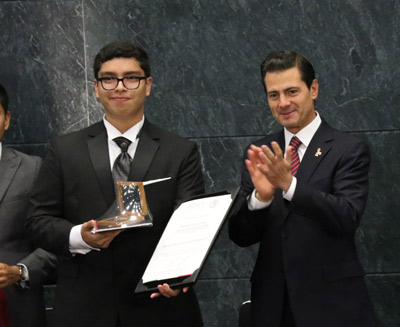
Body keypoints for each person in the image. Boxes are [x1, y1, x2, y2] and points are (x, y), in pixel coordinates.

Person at [26, 41, 204, 327]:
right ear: (96, 89)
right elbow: (37, 221)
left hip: (158, 306)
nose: (119, 86)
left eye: (131, 78)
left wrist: (178, 276)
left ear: (148, 85)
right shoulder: (64, 149)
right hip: (84, 307)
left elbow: (190, 225)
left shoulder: (180, 151)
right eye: (109, 79)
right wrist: (79, 236)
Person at [229, 51, 379, 327]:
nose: (283, 103)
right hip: (273, 305)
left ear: (313, 89)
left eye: (292, 91)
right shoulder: (261, 153)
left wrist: (289, 185)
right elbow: (241, 235)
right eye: (273, 95)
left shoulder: (348, 149)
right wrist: (260, 198)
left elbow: (347, 216)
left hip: (332, 304)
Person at [0, 83, 58, 327]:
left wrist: (20, 272)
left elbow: (58, 241)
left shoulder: (33, 169)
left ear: (6, 119)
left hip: (17, 308)